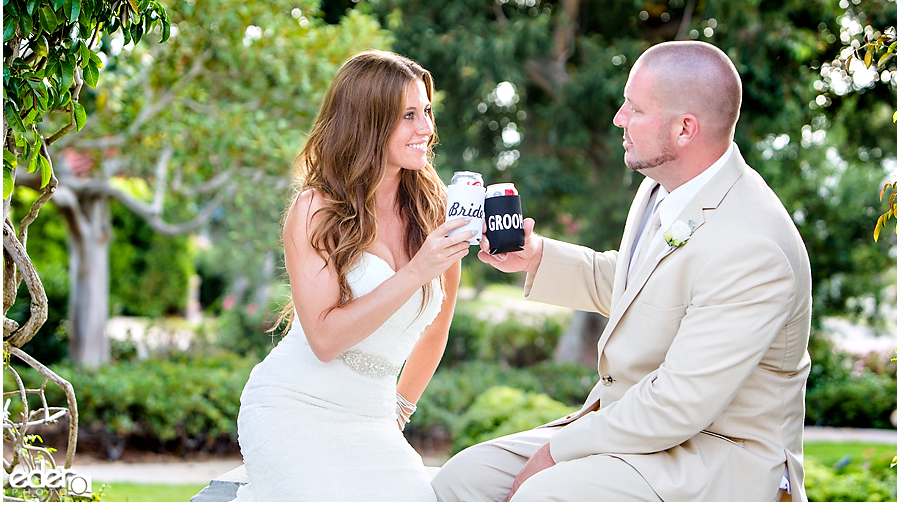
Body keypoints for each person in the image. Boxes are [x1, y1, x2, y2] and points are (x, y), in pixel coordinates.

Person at [432, 41, 812, 502]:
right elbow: (644, 290)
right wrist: (535, 257)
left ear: (684, 129)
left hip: (715, 456)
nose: (618, 118)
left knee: (545, 494)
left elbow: (679, 403)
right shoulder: (660, 185)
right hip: (637, 432)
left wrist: (557, 452)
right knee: (464, 477)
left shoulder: (754, 246)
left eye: (634, 108)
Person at [235, 50, 473, 501]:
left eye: (426, 111)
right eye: (409, 115)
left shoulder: (434, 208)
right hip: (293, 408)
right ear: (368, 121)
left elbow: (438, 325)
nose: (427, 128)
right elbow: (324, 340)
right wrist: (417, 270)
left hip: (372, 422)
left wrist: (399, 407)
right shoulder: (316, 211)